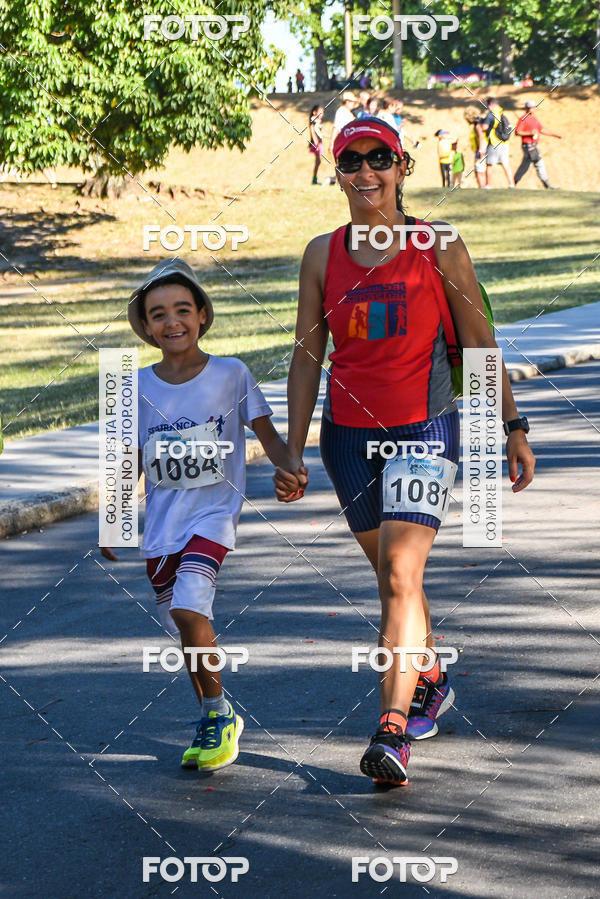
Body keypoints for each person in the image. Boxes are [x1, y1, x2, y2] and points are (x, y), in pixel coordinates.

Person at [274, 116, 535, 787]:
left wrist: (513, 423)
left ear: (401, 166)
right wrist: (291, 449)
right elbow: (308, 358)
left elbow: (478, 338)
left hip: (424, 428)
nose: (366, 172)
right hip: (347, 441)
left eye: (379, 158)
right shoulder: (319, 254)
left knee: (400, 578)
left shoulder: (438, 244)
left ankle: (392, 730)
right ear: (336, 171)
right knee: (394, 579)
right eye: (351, 160)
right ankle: (431, 674)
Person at [101, 259, 296, 772]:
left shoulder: (232, 373)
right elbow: (127, 458)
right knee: (187, 628)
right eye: (158, 314)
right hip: (162, 527)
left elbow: (267, 435)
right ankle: (217, 712)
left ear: (203, 315)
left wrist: (290, 467)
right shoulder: (132, 385)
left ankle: (215, 714)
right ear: (145, 327)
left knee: (190, 606)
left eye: (183, 310)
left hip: (212, 516)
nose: (172, 322)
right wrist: (114, 518)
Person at [514, 100, 562, 189]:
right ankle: (547, 185)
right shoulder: (523, 118)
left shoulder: (534, 119)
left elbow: (542, 130)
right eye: (531, 107)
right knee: (538, 163)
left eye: (534, 107)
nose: (533, 109)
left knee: (526, 165)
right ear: (527, 108)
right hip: (528, 145)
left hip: (533, 145)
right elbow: (517, 132)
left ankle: (513, 183)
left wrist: (555, 135)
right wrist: (530, 133)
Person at [482, 97, 514, 188]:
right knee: (505, 164)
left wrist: (480, 124)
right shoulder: (501, 113)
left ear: (491, 104)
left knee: (489, 164)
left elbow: (484, 127)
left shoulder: (491, 114)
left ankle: (488, 185)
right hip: (504, 143)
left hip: (494, 142)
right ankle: (511, 184)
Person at [328, 92, 358, 181]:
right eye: (352, 102)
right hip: (344, 140)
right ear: (347, 102)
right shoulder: (341, 111)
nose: (353, 104)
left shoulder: (348, 112)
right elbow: (336, 127)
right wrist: (332, 143)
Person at [463, 105, 487, 188]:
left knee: (479, 170)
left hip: (481, 150)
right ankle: (483, 188)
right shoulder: (480, 122)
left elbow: (481, 137)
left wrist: (480, 150)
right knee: (480, 170)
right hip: (482, 149)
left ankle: (482, 189)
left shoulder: (477, 125)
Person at [308, 105, 324, 184]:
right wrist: (316, 143)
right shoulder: (313, 120)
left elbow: (320, 133)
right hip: (316, 144)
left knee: (318, 162)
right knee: (318, 161)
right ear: (315, 112)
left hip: (319, 143)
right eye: (320, 112)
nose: (322, 114)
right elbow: (313, 132)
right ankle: (314, 179)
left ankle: (315, 179)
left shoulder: (318, 121)